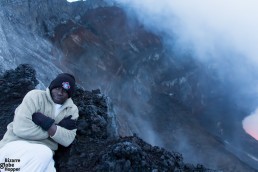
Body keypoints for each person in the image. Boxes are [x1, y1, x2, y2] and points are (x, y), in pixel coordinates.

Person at [0, 73, 79, 172]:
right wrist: (54, 129)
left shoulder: (72, 110)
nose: (60, 93)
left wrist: (47, 124)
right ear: (51, 87)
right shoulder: (35, 97)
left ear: (69, 95)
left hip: (42, 158)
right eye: (57, 88)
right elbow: (21, 129)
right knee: (43, 153)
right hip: (11, 153)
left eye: (65, 91)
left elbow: (67, 140)